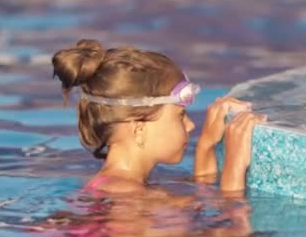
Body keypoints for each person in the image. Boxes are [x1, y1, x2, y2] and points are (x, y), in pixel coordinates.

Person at [51, 39, 266, 194]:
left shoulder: (121, 186)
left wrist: (206, 144)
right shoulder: (125, 195)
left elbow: (201, 198)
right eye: (181, 115)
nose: (191, 125)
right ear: (139, 129)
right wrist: (235, 167)